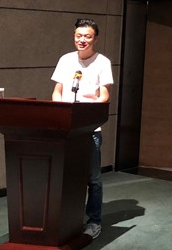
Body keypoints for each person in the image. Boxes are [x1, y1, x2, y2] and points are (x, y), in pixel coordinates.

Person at [51, 18, 113, 239]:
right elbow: (57, 91)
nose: (82, 40)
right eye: (79, 36)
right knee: (65, 175)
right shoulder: (66, 60)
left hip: (89, 130)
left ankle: (94, 221)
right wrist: (60, 111)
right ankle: (66, 218)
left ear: (95, 38)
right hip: (65, 128)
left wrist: (89, 108)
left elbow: (104, 96)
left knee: (92, 178)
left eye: (87, 36)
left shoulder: (102, 62)